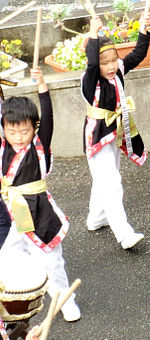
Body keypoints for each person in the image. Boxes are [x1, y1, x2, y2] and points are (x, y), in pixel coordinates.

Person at [0, 67, 80, 322]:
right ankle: (20, 301)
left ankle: (65, 300)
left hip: (39, 213)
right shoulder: (3, 147)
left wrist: (42, 85)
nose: (18, 137)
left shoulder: (39, 144)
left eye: (24, 131)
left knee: (51, 261)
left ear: (34, 128)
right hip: (12, 213)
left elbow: (49, 117)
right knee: (9, 257)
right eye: (11, 132)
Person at [81, 9, 150, 249]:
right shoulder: (90, 80)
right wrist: (92, 34)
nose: (112, 66)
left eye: (114, 60)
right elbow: (91, 64)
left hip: (115, 131)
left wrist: (142, 29)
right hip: (97, 136)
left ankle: (96, 218)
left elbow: (138, 55)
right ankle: (124, 234)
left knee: (106, 178)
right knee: (111, 182)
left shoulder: (118, 70)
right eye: (105, 62)